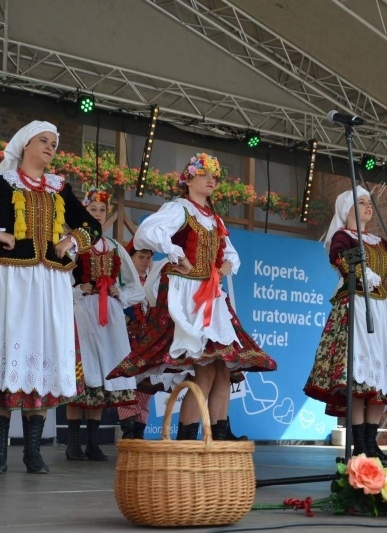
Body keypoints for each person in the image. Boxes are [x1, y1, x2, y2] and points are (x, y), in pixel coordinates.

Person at [0, 120, 102, 474]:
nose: (50, 147)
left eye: (54, 143)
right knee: (3, 355)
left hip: (49, 284)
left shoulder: (59, 188)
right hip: (8, 281)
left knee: (41, 357)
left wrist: (70, 241)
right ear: (25, 144)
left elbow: (92, 225)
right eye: (43, 141)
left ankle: (33, 452)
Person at [107, 152, 277, 441]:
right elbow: (148, 231)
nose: (212, 180)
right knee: (204, 370)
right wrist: (176, 253)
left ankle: (220, 436)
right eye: (205, 175)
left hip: (211, 297)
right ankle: (187, 439)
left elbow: (230, 255)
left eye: (215, 176)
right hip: (186, 295)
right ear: (189, 180)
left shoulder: (213, 218)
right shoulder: (180, 208)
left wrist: (223, 267)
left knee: (223, 368)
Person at [303, 186, 387, 460]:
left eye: (370, 202)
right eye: (363, 202)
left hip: (385, 312)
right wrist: (364, 274)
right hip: (358, 305)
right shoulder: (342, 236)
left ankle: (371, 441)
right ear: (348, 209)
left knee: (382, 377)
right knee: (359, 376)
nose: (369, 206)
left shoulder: (379, 241)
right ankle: (359, 443)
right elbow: (339, 258)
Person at [64, 188, 144, 460]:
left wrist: (119, 293)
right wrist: (78, 289)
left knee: (102, 372)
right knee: (83, 371)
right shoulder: (71, 244)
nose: (97, 214)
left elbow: (135, 287)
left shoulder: (114, 246)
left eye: (101, 210)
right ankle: (73, 442)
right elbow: (56, 282)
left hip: (108, 315)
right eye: (92, 210)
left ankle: (92, 442)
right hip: (82, 312)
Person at [117, 241, 156, 440]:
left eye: (148, 258)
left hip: (147, 343)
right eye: (141, 257)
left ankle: (139, 436)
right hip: (127, 342)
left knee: (145, 390)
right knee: (127, 388)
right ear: (130, 259)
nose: (145, 261)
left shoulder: (154, 282)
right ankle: (128, 435)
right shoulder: (122, 282)